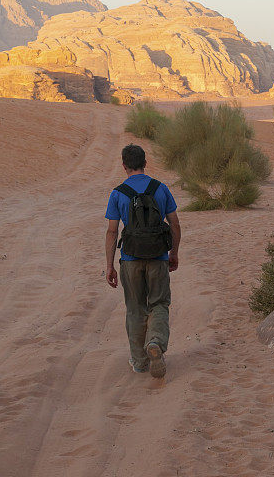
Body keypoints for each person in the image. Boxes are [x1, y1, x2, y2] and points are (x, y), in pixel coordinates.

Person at [105, 143, 181, 378]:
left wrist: (109, 265)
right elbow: (175, 224)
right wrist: (174, 252)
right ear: (145, 163)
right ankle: (156, 342)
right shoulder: (161, 188)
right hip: (158, 256)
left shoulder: (118, 193)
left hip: (130, 258)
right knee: (158, 303)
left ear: (124, 165)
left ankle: (139, 361)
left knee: (135, 308)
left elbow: (112, 231)